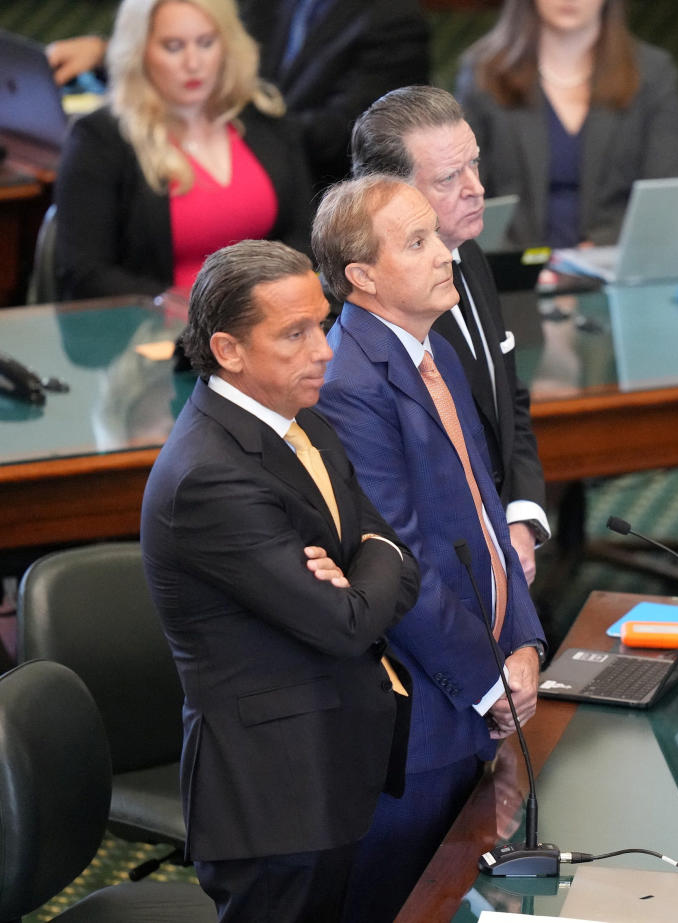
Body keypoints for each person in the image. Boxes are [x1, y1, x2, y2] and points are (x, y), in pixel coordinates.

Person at [140, 238, 420, 922]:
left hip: (330, 764)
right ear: (230, 350)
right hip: (274, 800)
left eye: (321, 325)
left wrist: (362, 566)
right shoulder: (209, 476)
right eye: (294, 334)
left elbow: (399, 553)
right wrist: (364, 571)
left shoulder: (304, 423)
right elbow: (346, 622)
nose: (324, 349)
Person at [311, 175, 546, 922]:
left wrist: (527, 639)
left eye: (435, 235)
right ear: (363, 276)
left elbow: (485, 512)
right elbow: (399, 558)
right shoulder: (350, 381)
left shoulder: (428, 346)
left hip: (479, 693)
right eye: (417, 242)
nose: (447, 252)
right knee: (406, 902)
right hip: (422, 715)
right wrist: (489, 678)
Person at [350, 85, 549, 583]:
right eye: (448, 178)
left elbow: (509, 401)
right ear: (388, 195)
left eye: (474, 165)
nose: (476, 188)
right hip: (438, 575)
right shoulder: (377, 308)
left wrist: (521, 517)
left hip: (502, 553)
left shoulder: (470, 255)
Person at [52, 0, 314, 301]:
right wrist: (193, 310)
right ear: (139, 52)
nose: (193, 63)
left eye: (206, 43)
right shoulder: (99, 138)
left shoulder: (265, 119)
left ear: (227, 45)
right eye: (173, 47)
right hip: (151, 330)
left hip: (264, 323)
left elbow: (303, 238)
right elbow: (84, 272)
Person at [46, 0, 430, 188]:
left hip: (315, 196)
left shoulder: (394, 21)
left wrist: (226, 130)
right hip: (225, 161)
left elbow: (344, 134)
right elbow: (213, 64)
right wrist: (111, 55)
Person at [455, 0, 678, 248]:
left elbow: (664, 193)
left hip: (614, 262)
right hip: (512, 264)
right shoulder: (485, 71)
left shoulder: (653, 74)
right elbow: (464, 192)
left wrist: (597, 253)